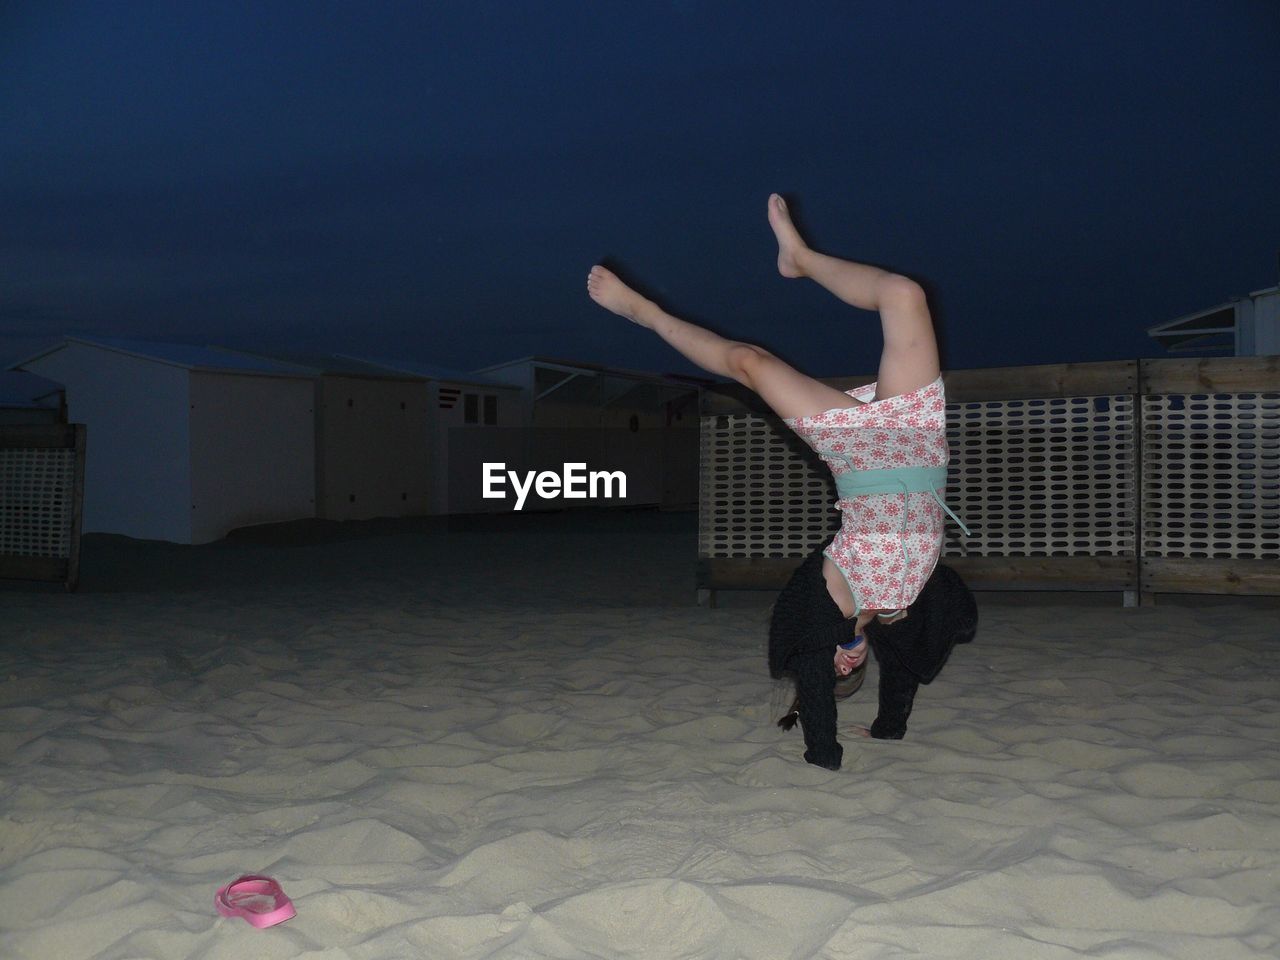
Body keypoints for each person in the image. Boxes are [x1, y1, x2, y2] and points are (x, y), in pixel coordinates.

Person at [587, 194, 976, 770]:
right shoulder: (906, 612)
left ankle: (641, 310)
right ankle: (801, 258)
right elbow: (905, 675)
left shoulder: (831, 592)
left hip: (860, 460)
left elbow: (813, 665)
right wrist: (888, 723)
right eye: (850, 673)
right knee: (905, 295)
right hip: (918, 439)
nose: (841, 669)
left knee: (751, 362)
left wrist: (825, 742)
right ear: (864, 660)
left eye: (833, 670)